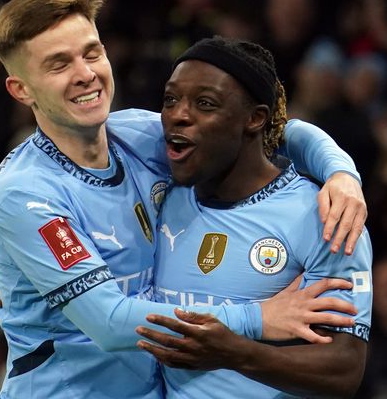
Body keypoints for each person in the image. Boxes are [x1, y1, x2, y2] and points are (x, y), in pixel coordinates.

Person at [0, 0, 366, 398]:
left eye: (91, 53)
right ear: (21, 89)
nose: (85, 73)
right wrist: (257, 319)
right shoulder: (25, 191)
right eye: (59, 65)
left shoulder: (138, 137)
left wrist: (342, 173)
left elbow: (268, 129)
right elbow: (110, 321)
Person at [133, 37, 372, 398]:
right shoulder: (162, 189)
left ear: (255, 118)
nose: (179, 114)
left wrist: (236, 353)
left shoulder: (324, 213)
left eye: (205, 103)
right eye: (170, 99)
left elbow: (344, 368)